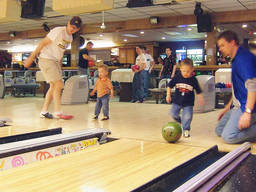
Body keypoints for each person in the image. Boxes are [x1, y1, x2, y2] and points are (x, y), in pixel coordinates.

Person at [24, 16, 82, 119]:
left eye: (75, 28)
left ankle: (44, 111)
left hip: (54, 61)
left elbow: (60, 51)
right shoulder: (58, 31)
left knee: (53, 86)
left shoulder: (69, 38)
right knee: (58, 84)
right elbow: (42, 43)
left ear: (78, 29)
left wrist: (59, 66)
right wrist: (31, 58)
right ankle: (58, 111)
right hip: (46, 59)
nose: (72, 29)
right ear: (68, 23)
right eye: (71, 26)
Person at [215, 30, 256, 144]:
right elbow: (237, 89)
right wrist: (228, 107)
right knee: (219, 130)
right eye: (219, 46)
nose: (220, 49)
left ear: (232, 42)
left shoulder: (243, 59)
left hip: (249, 106)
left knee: (229, 136)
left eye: (223, 45)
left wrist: (247, 113)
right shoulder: (235, 59)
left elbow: (253, 86)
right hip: (237, 105)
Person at [166, 58, 205, 137]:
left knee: (187, 117)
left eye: (188, 71)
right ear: (180, 69)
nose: (186, 73)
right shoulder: (177, 77)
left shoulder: (193, 80)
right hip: (177, 101)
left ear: (192, 70)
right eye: (183, 71)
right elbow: (169, 86)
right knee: (173, 113)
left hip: (188, 103)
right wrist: (168, 95)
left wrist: (201, 98)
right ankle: (180, 121)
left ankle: (186, 129)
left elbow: (198, 90)